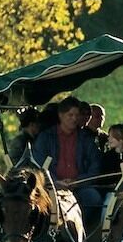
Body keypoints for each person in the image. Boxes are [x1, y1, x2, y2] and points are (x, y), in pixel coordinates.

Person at [32, 96, 103, 226]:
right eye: (70, 115)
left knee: (94, 199)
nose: (74, 119)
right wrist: (55, 182)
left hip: (80, 186)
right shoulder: (46, 137)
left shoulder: (86, 139)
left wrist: (78, 181)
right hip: (51, 187)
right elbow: (38, 165)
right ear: (61, 115)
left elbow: (95, 166)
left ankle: (82, 234)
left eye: (77, 115)